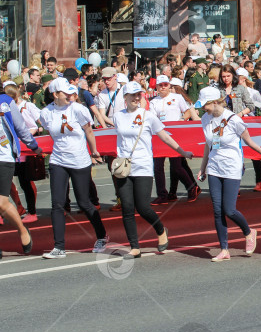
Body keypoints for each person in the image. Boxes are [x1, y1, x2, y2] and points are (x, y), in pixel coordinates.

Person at [113, 82, 193, 259]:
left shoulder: (148, 116)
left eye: (138, 95)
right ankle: (134, 246)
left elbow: (164, 136)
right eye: (132, 95)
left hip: (143, 166)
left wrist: (182, 152)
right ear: (125, 97)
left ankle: (160, 229)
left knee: (142, 207)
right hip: (124, 168)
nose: (136, 98)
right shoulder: (117, 116)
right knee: (127, 207)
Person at [195, 86, 261, 261]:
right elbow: (209, 144)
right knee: (217, 210)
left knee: (229, 210)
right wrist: (203, 167)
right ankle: (224, 249)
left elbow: (248, 140)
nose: (202, 108)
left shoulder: (233, 119)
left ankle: (249, 232)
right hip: (214, 166)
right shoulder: (205, 119)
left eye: (205, 105)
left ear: (215, 102)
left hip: (231, 166)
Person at [39, 78, 108, 259]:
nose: (71, 96)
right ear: (55, 95)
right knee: (57, 204)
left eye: (71, 92)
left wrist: (94, 152)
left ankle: (101, 235)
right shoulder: (46, 113)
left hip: (79, 160)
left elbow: (89, 132)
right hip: (58, 160)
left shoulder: (78, 109)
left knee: (84, 202)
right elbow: (50, 132)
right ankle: (59, 247)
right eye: (66, 93)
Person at [0, 87, 42, 259]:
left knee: (1, 203)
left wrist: (33, 146)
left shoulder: (5, 101)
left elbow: (20, 127)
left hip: (3, 157)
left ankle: (22, 229)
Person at [149, 75, 201, 205]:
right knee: (158, 166)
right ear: (157, 87)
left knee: (176, 165)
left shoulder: (177, 98)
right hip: (160, 135)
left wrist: (182, 120)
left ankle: (191, 187)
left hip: (176, 135)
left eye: (165, 85)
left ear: (169, 86)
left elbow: (188, 111)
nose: (163, 87)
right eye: (160, 85)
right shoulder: (153, 102)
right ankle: (162, 194)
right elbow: (152, 118)